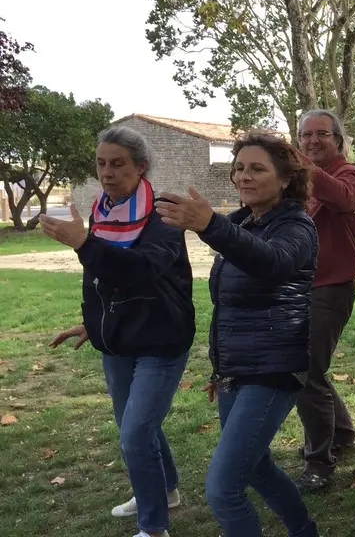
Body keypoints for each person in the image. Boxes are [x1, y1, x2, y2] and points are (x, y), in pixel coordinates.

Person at [155, 133, 319, 537]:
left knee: (223, 489)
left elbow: (272, 263)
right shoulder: (243, 222)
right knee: (258, 466)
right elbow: (229, 302)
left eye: (257, 168)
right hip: (236, 371)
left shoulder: (297, 226)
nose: (244, 176)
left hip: (274, 369)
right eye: (239, 168)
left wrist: (209, 224)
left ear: (284, 180)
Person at [44, 126, 195, 537]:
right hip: (118, 341)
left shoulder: (164, 212)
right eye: (101, 163)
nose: (107, 172)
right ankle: (164, 491)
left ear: (140, 166)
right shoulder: (102, 209)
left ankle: (153, 527)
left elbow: (142, 274)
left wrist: (82, 243)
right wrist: (92, 324)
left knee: (135, 433)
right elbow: (97, 278)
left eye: (118, 164)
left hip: (161, 338)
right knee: (136, 425)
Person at [293, 109, 355, 493]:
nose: (313, 141)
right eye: (306, 135)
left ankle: (318, 461)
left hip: (332, 289)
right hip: (299, 287)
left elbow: (342, 198)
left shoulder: (347, 174)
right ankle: (342, 432)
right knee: (311, 369)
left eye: (322, 134)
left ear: (338, 139)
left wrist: (304, 168)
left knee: (305, 373)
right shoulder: (298, 180)